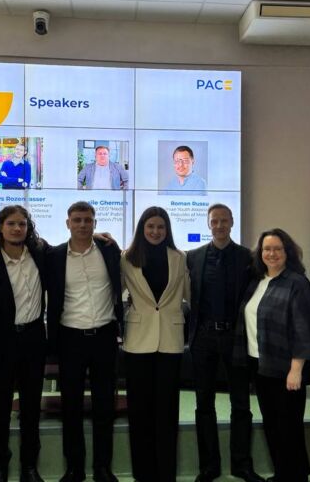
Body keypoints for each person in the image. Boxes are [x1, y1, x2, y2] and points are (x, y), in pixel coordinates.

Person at [46, 201, 124, 482]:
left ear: (95, 223)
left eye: (88, 220)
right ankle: (74, 468)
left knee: (105, 405)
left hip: (104, 337)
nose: (82, 224)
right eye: (77, 220)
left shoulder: (109, 249)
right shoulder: (54, 256)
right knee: (71, 407)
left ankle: (103, 467)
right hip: (70, 339)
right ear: (67, 223)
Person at [233, 228, 310, 482]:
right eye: (267, 249)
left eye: (277, 249)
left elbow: (302, 328)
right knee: (272, 424)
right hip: (260, 365)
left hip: (286, 369)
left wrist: (296, 369)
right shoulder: (257, 281)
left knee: (289, 428)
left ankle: (295, 476)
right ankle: (284, 474)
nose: (272, 254)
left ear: (287, 252)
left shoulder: (297, 283)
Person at [186, 204, 262, 482]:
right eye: (214, 221)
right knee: (203, 403)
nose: (219, 225)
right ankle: (209, 466)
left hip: (236, 338)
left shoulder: (247, 258)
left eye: (224, 221)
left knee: (241, 403)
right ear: (208, 224)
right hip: (203, 338)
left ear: (232, 222)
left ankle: (242, 465)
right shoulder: (193, 257)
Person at [0, 205, 49, 482]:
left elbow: (71, 246)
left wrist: (99, 235)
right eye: (11, 224)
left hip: (33, 341)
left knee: (31, 407)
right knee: (1, 407)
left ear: (28, 228)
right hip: (1, 344)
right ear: (0, 228)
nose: (17, 228)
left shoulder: (41, 256)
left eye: (22, 224)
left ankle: (29, 466)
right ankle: (0, 466)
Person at [121, 206, 190, 482]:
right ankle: (144, 473)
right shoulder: (127, 258)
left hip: (170, 342)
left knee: (167, 410)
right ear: (142, 228)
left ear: (167, 229)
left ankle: (166, 472)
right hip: (138, 342)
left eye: (161, 227)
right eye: (150, 226)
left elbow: (190, 294)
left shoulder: (180, 257)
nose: (155, 231)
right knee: (139, 411)